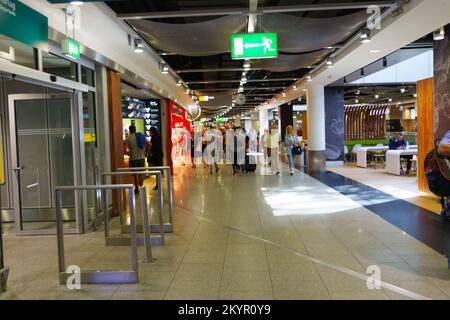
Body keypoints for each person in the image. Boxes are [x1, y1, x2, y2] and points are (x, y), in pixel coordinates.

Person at [125, 125, 146, 194]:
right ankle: (141, 187)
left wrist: (128, 153)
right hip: (142, 158)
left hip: (133, 159)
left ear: (130, 130)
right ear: (135, 129)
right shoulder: (141, 136)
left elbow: (124, 149)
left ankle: (137, 188)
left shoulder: (128, 138)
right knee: (141, 174)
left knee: (135, 174)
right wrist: (146, 152)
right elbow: (150, 144)